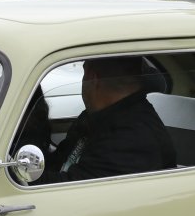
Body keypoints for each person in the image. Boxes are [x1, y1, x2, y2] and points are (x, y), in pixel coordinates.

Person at [37, 56, 175, 183]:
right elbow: (59, 160)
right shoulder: (98, 117)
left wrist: (27, 178)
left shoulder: (132, 139)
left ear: (92, 78)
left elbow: (74, 188)